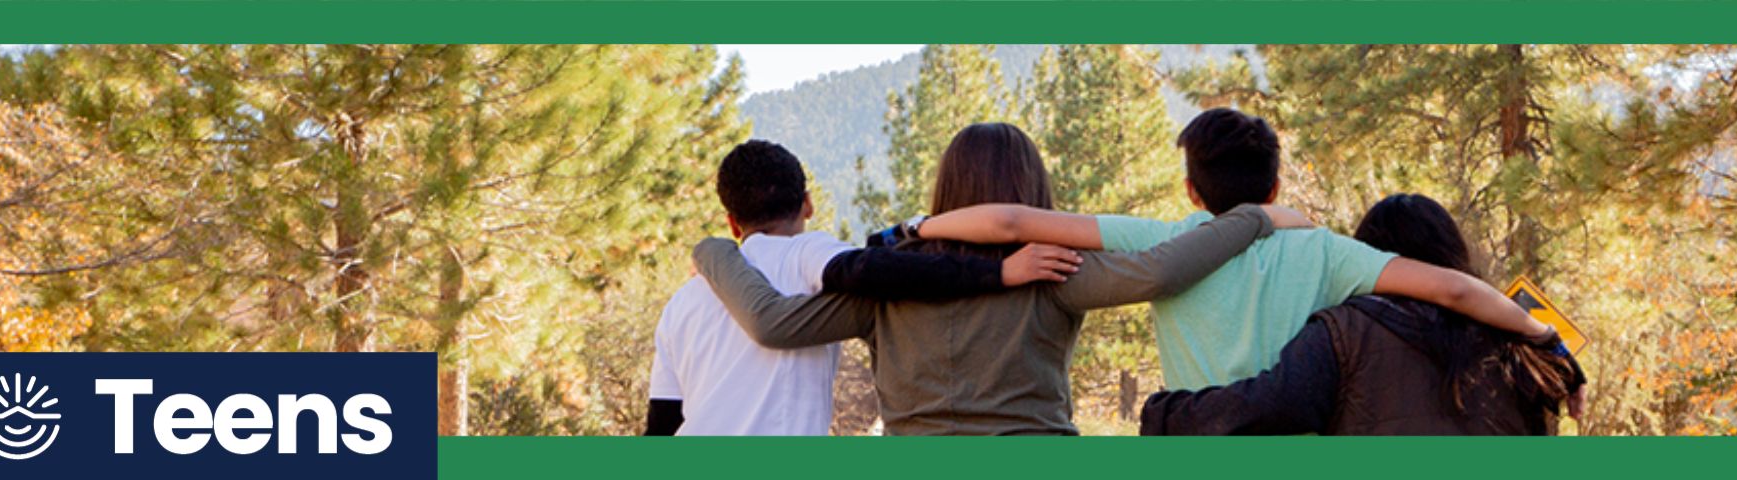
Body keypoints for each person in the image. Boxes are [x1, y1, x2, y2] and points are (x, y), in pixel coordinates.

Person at [689, 123, 1312, 435]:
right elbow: (1165, 269)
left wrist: (717, 250)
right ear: (1031, 191)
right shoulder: (1051, 266)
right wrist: (1251, 219)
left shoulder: (890, 276)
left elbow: (773, 321)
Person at [893, 108, 1556, 391]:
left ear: (1189, 189)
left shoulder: (1163, 238)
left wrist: (916, 228)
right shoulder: (1324, 252)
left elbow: (1011, 220)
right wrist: (1540, 333)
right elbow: (1451, 288)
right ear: (1275, 185)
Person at [646, 140, 1084, 436]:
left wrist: (711, 252)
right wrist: (1000, 272)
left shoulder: (681, 303)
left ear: (731, 221)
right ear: (808, 204)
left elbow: (662, 423)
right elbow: (871, 269)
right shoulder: (808, 253)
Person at [1140, 194, 1587, 435]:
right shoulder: (1512, 340)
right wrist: (1552, 347)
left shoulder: (1342, 331)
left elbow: (1270, 407)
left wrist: (1168, 414)